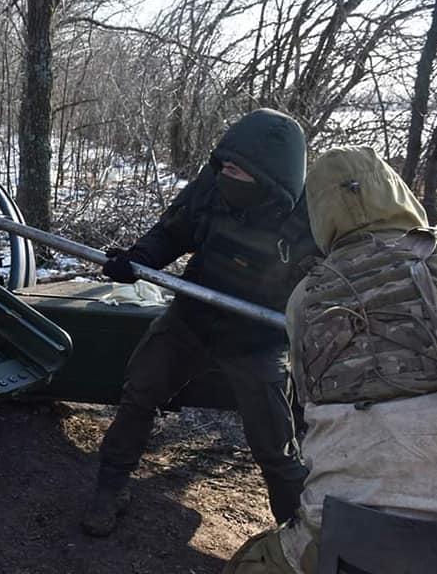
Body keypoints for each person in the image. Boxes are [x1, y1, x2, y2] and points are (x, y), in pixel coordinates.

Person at [84, 108, 319, 537]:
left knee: (274, 445)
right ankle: (111, 485)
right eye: (223, 165)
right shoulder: (213, 186)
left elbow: (323, 291)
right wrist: (138, 259)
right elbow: (174, 231)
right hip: (194, 316)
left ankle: (301, 534)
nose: (225, 173)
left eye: (237, 170)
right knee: (141, 389)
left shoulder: (308, 219)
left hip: (258, 338)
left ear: (269, 178)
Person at [223, 147, 437, 573]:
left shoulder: (307, 296)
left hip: (349, 536)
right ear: (396, 192)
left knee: (251, 564)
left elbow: (309, 404)